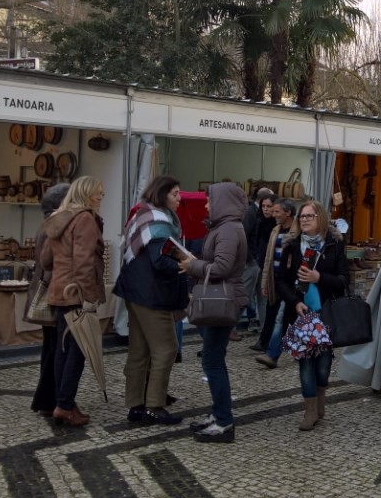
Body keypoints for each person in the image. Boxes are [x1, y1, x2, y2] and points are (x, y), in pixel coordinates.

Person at [115, 176, 189, 426]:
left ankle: (135, 405)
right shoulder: (159, 221)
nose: (180, 199)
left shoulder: (143, 214)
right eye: (175, 194)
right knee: (166, 348)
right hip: (151, 294)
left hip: (134, 289)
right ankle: (154, 406)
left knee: (139, 350)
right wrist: (185, 263)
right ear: (162, 194)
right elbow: (160, 260)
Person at [182, 181, 249, 443]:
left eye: (210, 200)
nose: (207, 205)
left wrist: (192, 265)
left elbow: (221, 267)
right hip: (219, 299)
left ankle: (224, 422)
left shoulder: (230, 229)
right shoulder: (224, 227)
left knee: (212, 361)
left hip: (223, 301)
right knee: (213, 359)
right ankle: (219, 414)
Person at [276, 198, 349, 431]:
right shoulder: (291, 245)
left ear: (321, 218)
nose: (305, 220)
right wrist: (295, 302)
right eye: (302, 216)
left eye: (310, 216)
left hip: (326, 314)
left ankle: (320, 401)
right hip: (301, 315)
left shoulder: (334, 245)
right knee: (305, 364)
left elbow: (343, 281)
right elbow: (281, 281)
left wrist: (320, 278)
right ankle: (309, 410)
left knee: (323, 366)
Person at [41, 176, 106, 427]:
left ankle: (62, 401)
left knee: (62, 349)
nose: (100, 197)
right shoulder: (85, 219)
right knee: (78, 351)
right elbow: (83, 263)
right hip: (76, 295)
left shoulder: (61, 217)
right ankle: (66, 405)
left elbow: (46, 259)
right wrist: (89, 298)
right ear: (86, 194)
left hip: (59, 292)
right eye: (98, 193)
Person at [28, 182, 70, 415]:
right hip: (54, 294)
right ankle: (49, 400)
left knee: (52, 347)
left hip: (50, 291)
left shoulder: (46, 224)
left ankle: (45, 399)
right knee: (56, 348)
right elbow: (50, 264)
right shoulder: (54, 225)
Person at [255, 198, 297, 367]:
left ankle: (272, 354)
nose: (273, 214)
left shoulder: (298, 231)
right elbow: (268, 259)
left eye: (277, 211)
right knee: (282, 316)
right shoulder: (275, 230)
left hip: (292, 283)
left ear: (288, 213)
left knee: (283, 318)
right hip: (275, 280)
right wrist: (265, 283)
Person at [241, 188, 276, 340]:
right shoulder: (253, 215)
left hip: (263, 263)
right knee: (246, 295)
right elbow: (246, 237)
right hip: (255, 262)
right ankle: (230, 327)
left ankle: (265, 333)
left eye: (269, 206)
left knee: (263, 297)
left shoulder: (270, 222)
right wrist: (251, 258)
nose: (266, 209)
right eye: (264, 206)